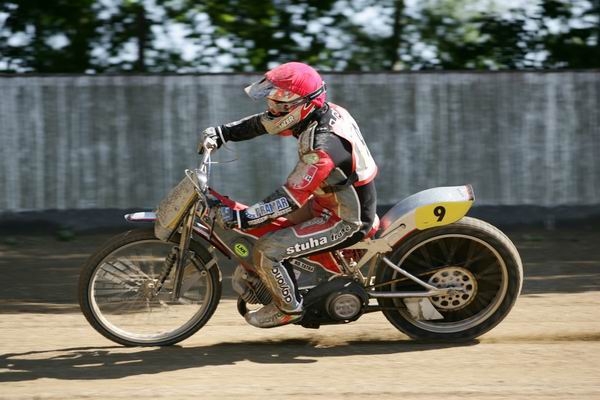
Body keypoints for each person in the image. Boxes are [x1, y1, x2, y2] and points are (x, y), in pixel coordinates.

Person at [200, 62, 378, 328]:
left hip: (346, 219)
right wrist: (224, 133)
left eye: (279, 104)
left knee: (267, 249)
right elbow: (264, 124)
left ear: (302, 105)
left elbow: (290, 198)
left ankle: (289, 308)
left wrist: (241, 218)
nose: (272, 110)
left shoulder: (322, 147)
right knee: (266, 226)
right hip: (330, 200)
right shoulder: (320, 113)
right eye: (271, 101)